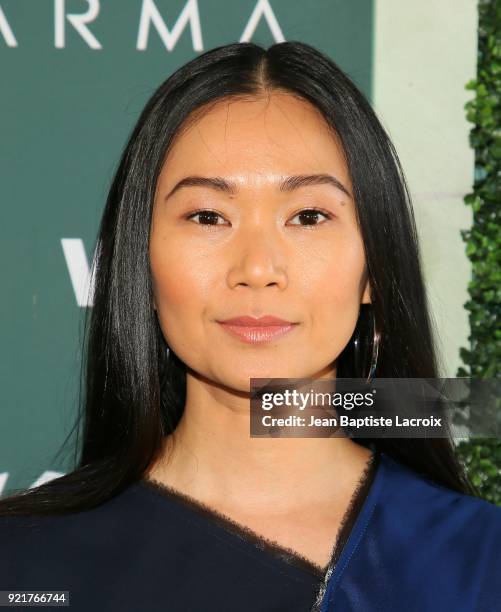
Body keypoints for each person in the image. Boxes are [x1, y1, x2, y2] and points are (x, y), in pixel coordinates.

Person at [0, 41, 499, 612]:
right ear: (142, 261)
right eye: (208, 216)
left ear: (374, 270)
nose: (257, 268)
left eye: (309, 217)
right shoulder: (23, 564)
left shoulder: (482, 564)